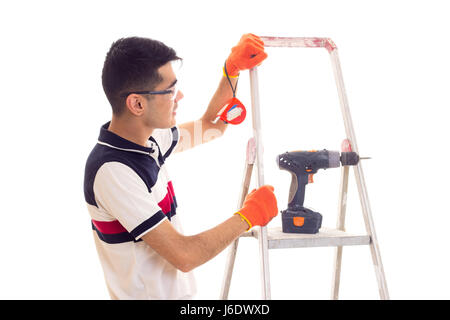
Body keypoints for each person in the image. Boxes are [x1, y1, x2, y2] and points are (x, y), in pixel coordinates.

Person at [83, 34, 278, 300]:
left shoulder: (149, 140)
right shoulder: (113, 171)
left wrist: (231, 71)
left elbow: (210, 127)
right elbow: (184, 256)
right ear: (137, 103)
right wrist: (247, 217)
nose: (180, 96)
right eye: (170, 91)